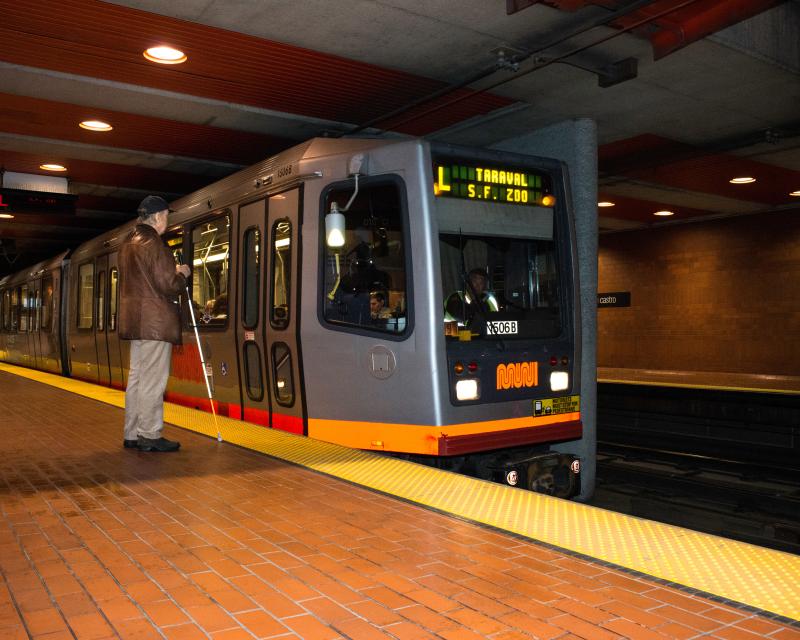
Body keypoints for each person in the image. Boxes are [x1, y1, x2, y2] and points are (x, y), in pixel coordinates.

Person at [119, 195, 191, 452]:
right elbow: (168, 284)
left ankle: (132, 433)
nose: (166, 221)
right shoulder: (153, 243)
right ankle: (149, 434)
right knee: (152, 380)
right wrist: (181, 274)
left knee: (137, 378)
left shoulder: (127, 242)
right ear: (159, 216)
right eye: (166, 216)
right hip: (155, 323)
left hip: (135, 322)